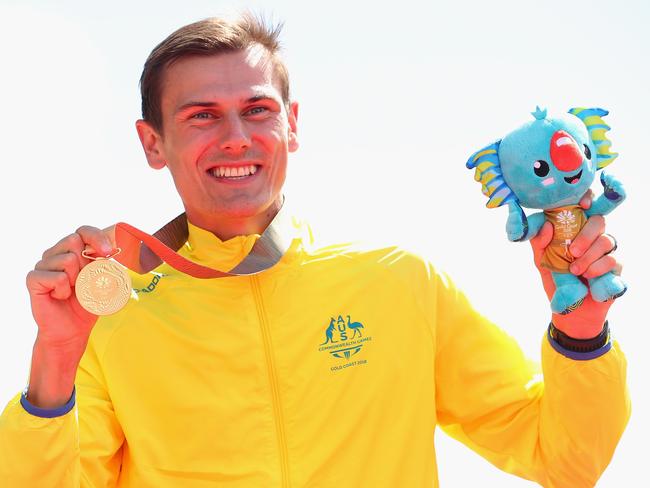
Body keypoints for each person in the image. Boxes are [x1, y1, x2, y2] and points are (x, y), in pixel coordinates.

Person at [0, 14, 629, 488]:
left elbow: (565, 458)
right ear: (152, 142)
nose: (236, 138)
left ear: (291, 125)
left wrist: (581, 333)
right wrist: (55, 358)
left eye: (256, 110)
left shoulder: (397, 282)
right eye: (201, 116)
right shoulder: (112, 318)